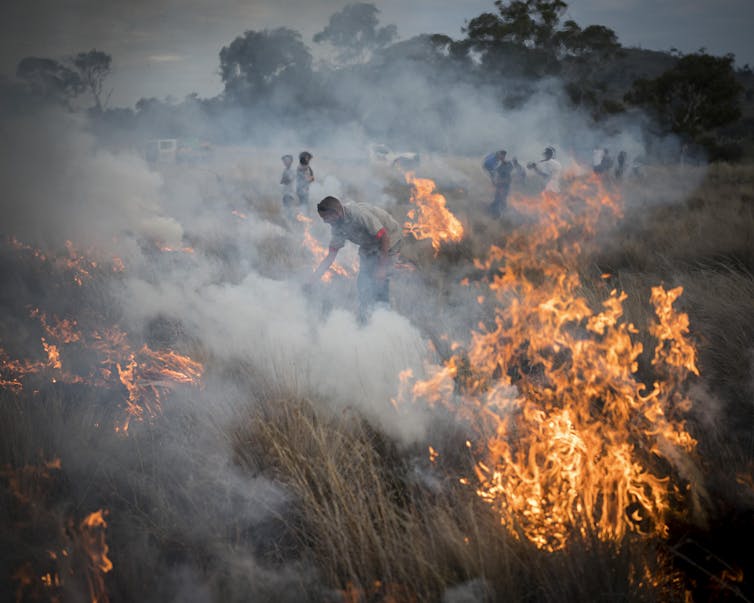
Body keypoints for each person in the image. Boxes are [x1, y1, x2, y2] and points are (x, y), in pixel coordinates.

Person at [308, 196, 403, 324]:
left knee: (379, 282)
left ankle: (383, 321)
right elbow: (330, 257)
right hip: (369, 244)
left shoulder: (358, 215)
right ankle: (365, 320)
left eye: (326, 217)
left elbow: (384, 237)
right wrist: (313, 279)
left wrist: (381, 269)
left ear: (337, 212)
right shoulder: (337, 227)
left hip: (390, 239)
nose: (325, 221)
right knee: (363, 283)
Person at [280, 154, 296, 220]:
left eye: (287, 161)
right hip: (285, 193)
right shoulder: (285, 170)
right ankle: (288, 220)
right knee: (286, 209)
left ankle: (290, 220)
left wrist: (285, 180)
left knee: (289, 209)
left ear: (291, 161)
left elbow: (289, 180)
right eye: (284, 161)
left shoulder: (292, 170)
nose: (285, 162)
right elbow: (282, 181)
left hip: (290, 194)